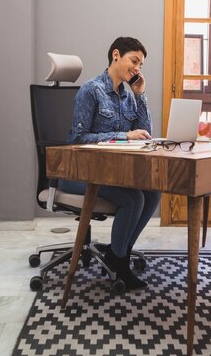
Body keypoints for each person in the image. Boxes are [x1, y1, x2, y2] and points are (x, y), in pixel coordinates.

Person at [59, 37, 161, 291]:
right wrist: (122, 135)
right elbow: (78, 139)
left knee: (152, 192)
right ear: (116, 55)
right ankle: (120, 262)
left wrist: (141, 96)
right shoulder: (90, 90)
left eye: (141, 64)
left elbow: (146, 133)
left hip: (110, 174)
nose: (137, 68)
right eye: (134, 61)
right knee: (134, 199)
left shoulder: (128, 96)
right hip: (81, 174)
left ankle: (119, 252)